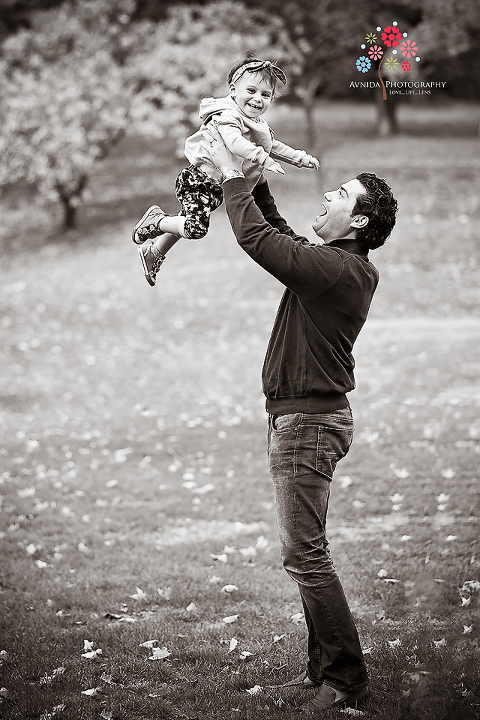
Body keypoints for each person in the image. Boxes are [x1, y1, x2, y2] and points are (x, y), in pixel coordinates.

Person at [200, 127, 398, 713]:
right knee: (306, 555)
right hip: (302, 422)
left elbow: (260, 242)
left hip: (309, 425)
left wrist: (233, 176)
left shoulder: (340, 271)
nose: (326, 197)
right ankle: (324, 670)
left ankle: (346, 681)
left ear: (358, 222)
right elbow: (281, 235)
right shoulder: (333, 265)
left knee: (306, 557)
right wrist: (255, 182)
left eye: (338, 193)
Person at [131, 54, 319, 286]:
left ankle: (154, 252)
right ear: (233, 90)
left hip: (214, 186)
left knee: (186, 217)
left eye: (265, 94)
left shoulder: (257, 123)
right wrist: (262, 159)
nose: (257, 99)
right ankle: (157, 220)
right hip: (198, 180)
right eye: (251, 91)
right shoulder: (228, 115)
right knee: (195, 228)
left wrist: (300, 158)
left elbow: (273, 145)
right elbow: (233, 142)